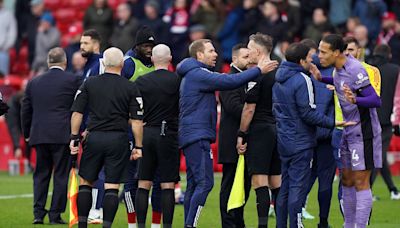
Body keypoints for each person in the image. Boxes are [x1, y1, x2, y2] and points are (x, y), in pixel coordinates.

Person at [177, 38, 278, 227]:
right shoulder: (198, 74)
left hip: (193, 134)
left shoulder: (193, 73)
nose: (216, 54)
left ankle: (188, 224)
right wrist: (258, 71)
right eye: (210, 51)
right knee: (205, 184)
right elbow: (229, 80)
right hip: (197, 135)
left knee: (194, 184)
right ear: (199, 55)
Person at [313, 34, 382, 228]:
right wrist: (320, 78)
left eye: (323, 52)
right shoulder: (337, 69)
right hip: (347, 132)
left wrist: (356, 100)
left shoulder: (355, 69)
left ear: (336, 52)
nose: (320, 56)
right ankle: (348, 224)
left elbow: (376, 100)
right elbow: (339, 83)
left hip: (363, 133)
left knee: (361, 181)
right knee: (347, 180)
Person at [273, 42, 345, 228]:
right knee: (298, 187)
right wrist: (333, 122)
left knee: (285, 188)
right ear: (301, 60)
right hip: (301, 141)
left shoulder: (279, 78)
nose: (312, 60)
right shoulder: (302, 79)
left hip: (284, 139)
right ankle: (296, 225)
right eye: (309, 57)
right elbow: (308, 113)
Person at [69, 47, 143, 228]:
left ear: (103, 63)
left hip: (93, 138)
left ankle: (83, 225)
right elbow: (136, 121)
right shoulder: (131, 86)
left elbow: (77, 113)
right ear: (122, 64)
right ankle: (107, 225)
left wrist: (74, 137)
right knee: (112, 185)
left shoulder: (89, 83)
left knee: (86, 181)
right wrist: (139, 146)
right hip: (118, 139)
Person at [20, 47, 81, 224]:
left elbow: (26, 109)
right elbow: (79, 107)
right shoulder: (73, 80)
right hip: (62, 134)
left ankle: (38, 214)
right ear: (65, 62)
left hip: (39, 134)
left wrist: (27, 134)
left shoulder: (34, 82)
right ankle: (55, 215)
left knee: (40, 174)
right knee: (61, 175)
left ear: (48, 62)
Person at [236, 33, 281, 228]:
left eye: (249, 47)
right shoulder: (280, 71)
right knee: (277, 182)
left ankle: (262, 225)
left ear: (257, 50)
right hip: (277, 129)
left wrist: (242, 133)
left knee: (260, 181)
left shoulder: (259, 75)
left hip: (260, 130)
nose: (247, 51)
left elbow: (249, 108)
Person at [133, 44, 180, 228]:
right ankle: (166, 225)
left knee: (144, 183)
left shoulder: (142, 81)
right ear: (169, 59)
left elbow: (135, 110)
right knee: (167, 185)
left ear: (152, 59)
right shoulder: (177, 80)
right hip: (168, 133)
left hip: (147, 133)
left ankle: (141, 225)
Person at [121, 25, 163, 228]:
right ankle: (132, 224)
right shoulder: (129, 65)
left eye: (152, 46)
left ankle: (155, 224)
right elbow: (119, 95)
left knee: (155, 178)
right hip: (131, 130)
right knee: (130, 179)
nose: (149, 49)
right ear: (137, 46)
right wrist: (130, 120)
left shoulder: (157, 65)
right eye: (146, 46)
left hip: (153, 130)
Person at [299, 39, 336, 227]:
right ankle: (323, 221)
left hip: (307, 132)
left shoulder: (305, 74)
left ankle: (295, 217)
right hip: (327, 133)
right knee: (325, 179)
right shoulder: (337, 74)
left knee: (302, 177)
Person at [218, 43, 252, 228]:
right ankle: (229, 223)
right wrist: (253, 112)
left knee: (243, 186)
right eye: (245, 57)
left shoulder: (246, 78)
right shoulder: (228, 79)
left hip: (244, 140)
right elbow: (233, 107)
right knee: (230, 185)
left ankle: (238, 222)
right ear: (235, 59)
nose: (249, 60)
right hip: (231, 140)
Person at [368, 44, 400, 200]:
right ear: (389, 55)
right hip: (386, 120)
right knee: (378, 156)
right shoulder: (395, 70)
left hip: (368, 118)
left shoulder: (368, 69)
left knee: (379, 154)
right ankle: (367, 190)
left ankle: (393, 189)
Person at [0, 0, 17, 75]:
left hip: (3, 51)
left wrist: (6, 47)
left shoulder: (8, 15)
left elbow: (12, 33)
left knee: (2, 78)